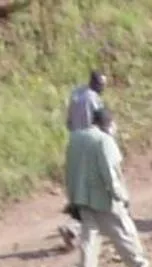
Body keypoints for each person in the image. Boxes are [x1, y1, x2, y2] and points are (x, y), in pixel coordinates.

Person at [65, 108, 149, 267]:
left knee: (89, 239)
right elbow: (111, 174)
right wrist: (122, 196)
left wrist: (72, 197)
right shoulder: (105, 141)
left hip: (82, 197)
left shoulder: (76, 138)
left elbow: (69, 170)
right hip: (104, 198)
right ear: (108, 124)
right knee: (123, 231)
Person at [57, 70, 107, 251]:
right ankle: (74, 228)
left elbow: (69, 122)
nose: (102, 89)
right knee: (94, 193)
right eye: (101, 85)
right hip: (91, 147)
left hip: (75, 145)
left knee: (82, 191)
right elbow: (101, 123)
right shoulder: (93, 99)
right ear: (94, 83)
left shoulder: (76, 93)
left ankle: (73, 228)